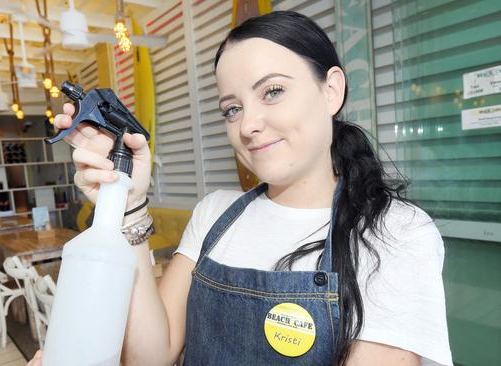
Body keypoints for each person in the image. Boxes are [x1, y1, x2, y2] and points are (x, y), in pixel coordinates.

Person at [28, 11, 451, 366]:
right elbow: (152, 355)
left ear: (331, 89)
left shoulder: (394, 232)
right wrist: (127, 202)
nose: (247, 125)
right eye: (232, 108)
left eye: (273, 91)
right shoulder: (215, 213)